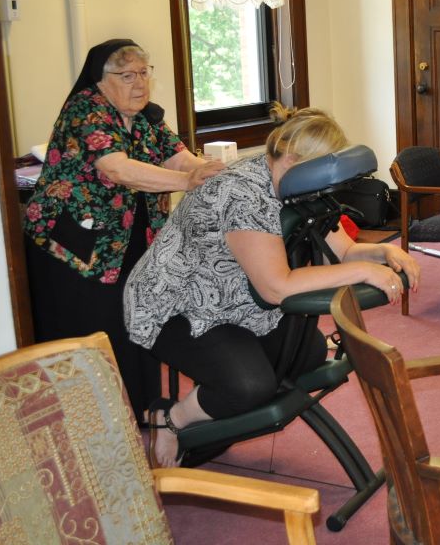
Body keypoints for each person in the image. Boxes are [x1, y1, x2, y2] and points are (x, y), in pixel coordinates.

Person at [124, 105, 421, 467]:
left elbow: (343, 252)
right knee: (249, 386)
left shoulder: (302, 185)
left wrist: (384, 252)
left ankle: (222, 412)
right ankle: (171, 418)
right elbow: (277, 288)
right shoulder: (242, 192)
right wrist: (361, 273)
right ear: (294, 158)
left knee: (307, 354)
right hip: (176, 304)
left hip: (235, 299)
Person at [24, 38, 224, 422]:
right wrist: (187, 182)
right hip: (75, 246)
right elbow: (117, 168)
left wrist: (206, 171)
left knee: (134, 318)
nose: (139, 83)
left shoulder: (147, 116)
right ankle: (92, 422)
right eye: (127, 75)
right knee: (93, 330)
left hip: (129, 240)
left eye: (144, 73)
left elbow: (178, 156)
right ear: (100, 81)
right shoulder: (87, 109)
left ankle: (136, 410)